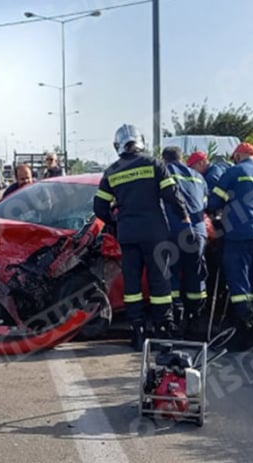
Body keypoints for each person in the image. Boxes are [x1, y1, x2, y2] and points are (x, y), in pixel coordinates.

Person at [93, 124, 189, 350]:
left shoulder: (112, 171)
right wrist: (185, 218)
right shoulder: (154, 164)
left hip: (128, 234)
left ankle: (137, 332)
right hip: (155, 232)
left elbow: (99, 207)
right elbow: (172, 196)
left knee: (132, 283)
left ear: (118, 145)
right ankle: (163, 331)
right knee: (160, 280)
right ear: (140, 141)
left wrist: (115, 221)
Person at [206, 142, 253, 351]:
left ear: (237, 156)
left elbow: (213, 203)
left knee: (239, 284)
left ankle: (241, 334)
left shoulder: (234, 172)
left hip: (239, 233)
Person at [161, 146, 209, 339]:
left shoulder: (165, 173)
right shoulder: (198, 177)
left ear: (164, 160)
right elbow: (203, 205)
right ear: (181, 158)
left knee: (171, 276)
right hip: (198, 233)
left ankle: (176, 321)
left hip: (173, 232)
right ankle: (195, 322)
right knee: (195, 275)